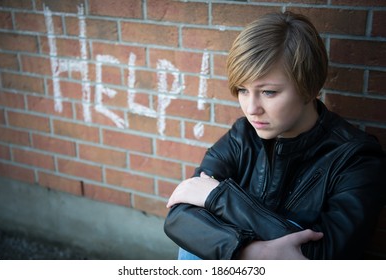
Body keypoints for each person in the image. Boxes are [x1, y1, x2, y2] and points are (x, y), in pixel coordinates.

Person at [164, 11, 385, 260]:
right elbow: (178, 217)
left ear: (309, 88)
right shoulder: (243, 135)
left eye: (268, 92)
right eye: (243, 90)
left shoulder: (356, 158)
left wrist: (219, 197)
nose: (251, 108)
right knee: (194, 247)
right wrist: (250, 252)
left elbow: (319, 258)